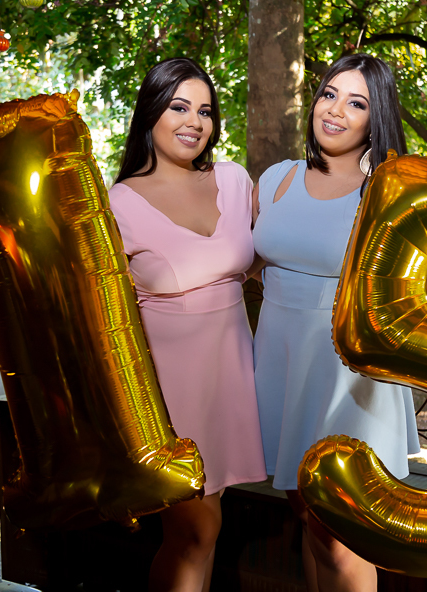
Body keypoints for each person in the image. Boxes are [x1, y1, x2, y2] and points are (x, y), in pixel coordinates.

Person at [252, 53, 420, 592]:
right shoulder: (277, 178)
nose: (336, 111)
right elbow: (251, 264)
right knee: (306, 518)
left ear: (376, 119)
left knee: (341, 538)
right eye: (329, 94)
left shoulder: (387, 190)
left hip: (348, 374)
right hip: (282, 361)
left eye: (357, 103)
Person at [109, 57, 267, 592]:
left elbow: (268, 252)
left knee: (199, 534)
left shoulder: (233, 178)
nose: (194, 122)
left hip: (231, 379)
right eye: (179, 107)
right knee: (195, 530)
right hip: (170, 394)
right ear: (150, 113)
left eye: (204, 111)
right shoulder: (117, 202)